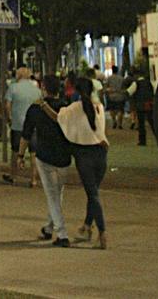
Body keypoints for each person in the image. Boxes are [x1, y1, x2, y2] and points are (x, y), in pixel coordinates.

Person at [18, 74, 73, 247]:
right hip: (64, 156)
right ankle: (49, 227)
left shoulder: (35, 109)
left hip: (45, 156)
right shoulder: (66, 107)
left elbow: (26, 134)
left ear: (43, 88)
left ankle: (62, 234)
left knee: (52, 195)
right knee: (57, 193)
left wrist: (20, 155)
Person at [60, 77, 109, 249]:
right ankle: (87, 225)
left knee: (92, 194)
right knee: (93, 193)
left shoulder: (74, 108)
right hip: (101, 152)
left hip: (84, 153)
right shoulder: (99, 107)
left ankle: (102, 232)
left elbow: (59, 118)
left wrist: (43, 106)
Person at [3, 67, 42, 187]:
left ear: (18, 75)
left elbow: (7, 105)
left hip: (18, 124)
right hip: (34, 125)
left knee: (16, 150)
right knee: (34, 152)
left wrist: (9, 118)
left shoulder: (13, 88)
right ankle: (33, 179)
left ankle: (13, 176)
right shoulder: (36, 90)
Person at [103, 65, 127, 129]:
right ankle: (120, 124)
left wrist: (108, 92)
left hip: (111, 96)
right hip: (120, 96)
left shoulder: (109, 78)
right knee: (120, 110)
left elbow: (105, 88)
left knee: (112, 110)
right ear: (117, 71)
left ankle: (114, 121)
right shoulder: (122, 78)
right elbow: (124, 88)